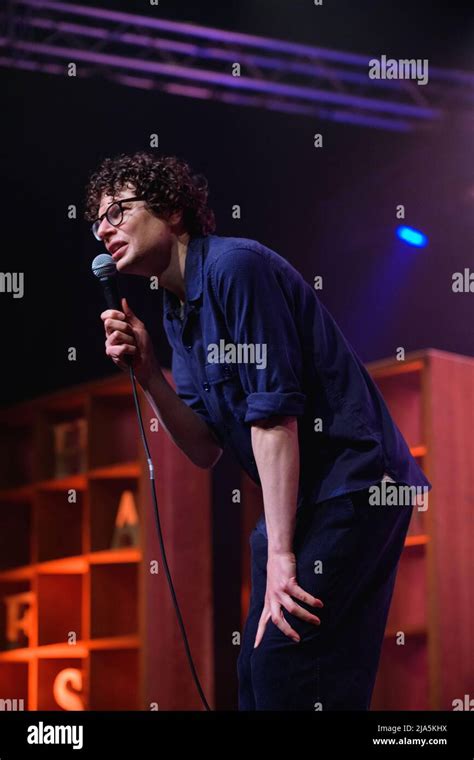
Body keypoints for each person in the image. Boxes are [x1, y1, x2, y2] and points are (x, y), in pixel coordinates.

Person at [84, 152, 432, 710]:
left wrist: (282, 556)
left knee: (287, 665)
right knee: (257, 672)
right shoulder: (177, 313)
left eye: (117, 210)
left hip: (353, 485)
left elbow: (274, 416)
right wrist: (150, 374)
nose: (103, 228)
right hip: (305, 500)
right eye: (96, 219)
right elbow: (203, 449)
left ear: (173, 211)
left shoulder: (233, 268)